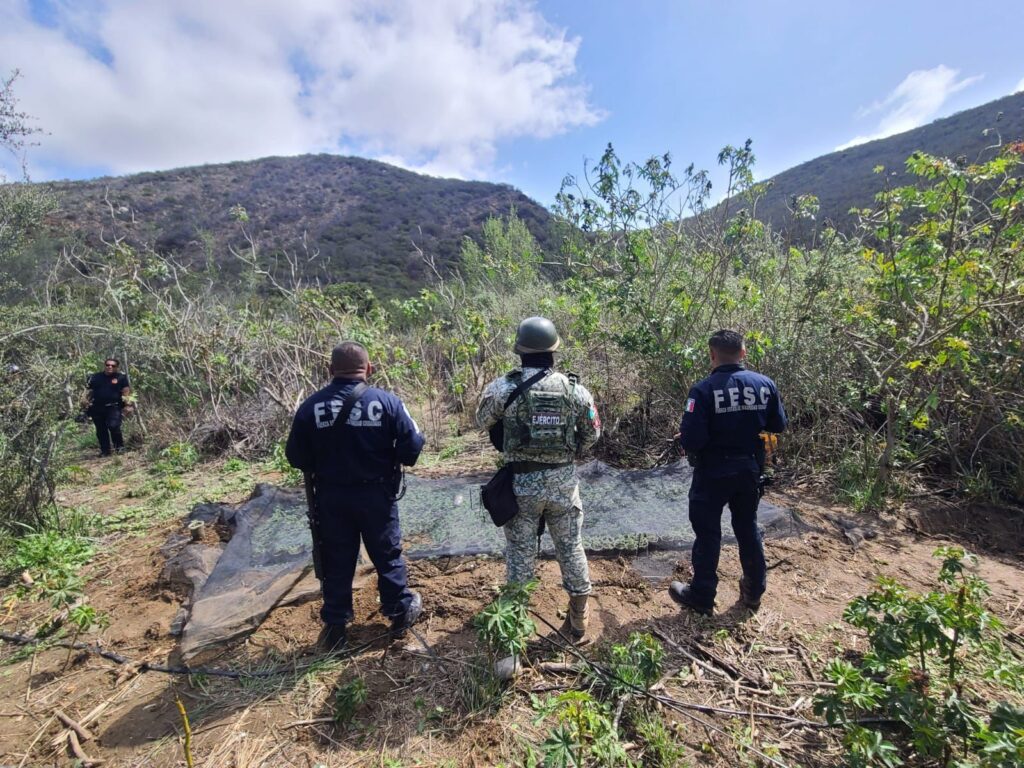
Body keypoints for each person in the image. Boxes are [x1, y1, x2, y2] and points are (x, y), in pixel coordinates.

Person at [285, 341, 425, 651]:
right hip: (377, 494)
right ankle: (399, 612)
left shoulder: (310, 407)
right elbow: (412, 448)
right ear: (369, 369)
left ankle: (335, 627)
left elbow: (295, 457)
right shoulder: (388, 402)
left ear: (330, 370)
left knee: (335, 559)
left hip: (331, 498)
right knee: (387, 554)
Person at [476, 316, 602, 642]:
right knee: (571, 546)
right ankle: (578, 616)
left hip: (521, 485)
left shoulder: (503, 387)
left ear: (519, 350)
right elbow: (592, 435)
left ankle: (515, 623)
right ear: (554, 350)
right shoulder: (576, 390)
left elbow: (482, 419)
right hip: (563, 483)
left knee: (520, 551)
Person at [670, 329, 787, 615]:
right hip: (749, 468)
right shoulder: (765, 384)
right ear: (743, 353)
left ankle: (702, 594)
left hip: (712, 472)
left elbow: (693, 440)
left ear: (712, 355)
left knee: (708, 532)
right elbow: (778, 425)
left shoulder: (703, 390)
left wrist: (685, 437)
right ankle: (754, 591)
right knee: (747, 526)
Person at [85, 358, 132, 457]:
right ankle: (105, 451)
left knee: (114, 426)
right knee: (101, 430)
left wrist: (128, 405)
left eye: (113, 365)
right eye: (108, 365)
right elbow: (88, 392)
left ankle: (119, 448)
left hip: (114, 407)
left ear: (117, 367)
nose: (110, 367)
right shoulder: (94, 377)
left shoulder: (121, 377)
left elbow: (126, 391)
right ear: (104, 365)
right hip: (96, 408)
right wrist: (85, 405)